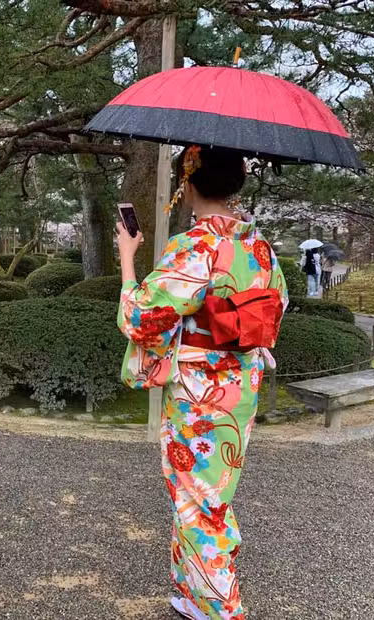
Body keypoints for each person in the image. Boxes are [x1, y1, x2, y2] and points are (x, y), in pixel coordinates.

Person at [116, 146, 287, 620]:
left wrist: (128, 260)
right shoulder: (258, 247)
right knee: (212, 491)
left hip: (199, 391)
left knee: (198, 498)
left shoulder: (194, 246)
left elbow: (141, 318)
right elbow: (277, 305)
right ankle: (191, 593)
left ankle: (220, 608)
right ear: (237, 185)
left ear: (187, 184)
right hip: (240, 386)